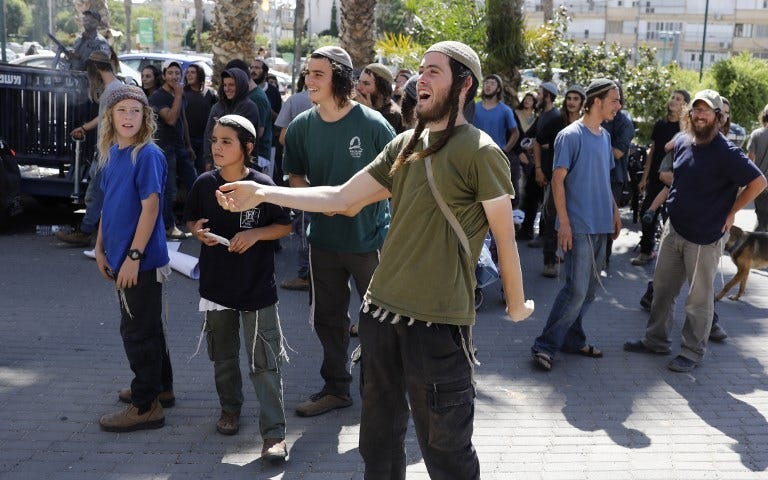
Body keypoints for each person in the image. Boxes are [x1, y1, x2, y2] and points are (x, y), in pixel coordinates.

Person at [215, 40, 533, 480]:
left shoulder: (480, 151)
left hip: (438, 326)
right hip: (380, 317)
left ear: (465, 85)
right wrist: (264, 191)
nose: (421, 78)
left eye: (435, 71)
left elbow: (505, 236)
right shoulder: (403, 145)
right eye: (421, 70)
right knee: (378, 448)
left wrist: (516, 304)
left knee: (446, 453)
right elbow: (343, 198)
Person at [281, 46, 395, 418]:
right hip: (323, 243)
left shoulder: (374, 126)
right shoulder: (300, 128)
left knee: (381, 319)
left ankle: (382, 392)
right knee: (327, 319)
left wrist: (357, 202)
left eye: (318, 74)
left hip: (369, 241)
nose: (308, 81)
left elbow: (398, 181)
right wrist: (313, 201)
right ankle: (336, 388)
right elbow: (295, 178)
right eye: (307, 73)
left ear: (340, 79)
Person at [624, 89, 766, 372]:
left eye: (706, 111)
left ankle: (691, 351)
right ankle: (656, 341)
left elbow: (759, 182)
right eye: (696, 110)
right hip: (674, 230)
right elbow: (676, 179)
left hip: (704, 237)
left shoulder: (727, 152)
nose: (700, 115)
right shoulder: (685, 142)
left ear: (718, 117)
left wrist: (732, 211)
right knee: (662, 291)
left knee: (698, 299)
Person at [183, 114, 291, 460]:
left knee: (264, 363)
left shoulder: (263, 185)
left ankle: (274, 434)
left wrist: (255, 233)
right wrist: (197, 232)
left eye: (226, 141)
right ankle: (230, 410)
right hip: (216, 289)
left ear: (247, 147)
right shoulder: (203, 183)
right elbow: (191, 221)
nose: (217, 147)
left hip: (257, 289)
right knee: (224, 358)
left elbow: (284, 226)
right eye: (214, 140)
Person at [94, 85, 173, 432]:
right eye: (122, 110)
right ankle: (161, 388)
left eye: (135, 111)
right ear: (111, 115)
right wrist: (99, 247)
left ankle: (146, 406)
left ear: (145, 117)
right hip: (118, 256)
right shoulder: (112, 151)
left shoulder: (148, 155)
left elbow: (151, 207)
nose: (128, 117)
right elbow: (108, 204)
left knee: (136, 330)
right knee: (148, 326)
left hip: (140, 261)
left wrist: (133, 256)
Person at [531, 79, 623, 372]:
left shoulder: (605, 136)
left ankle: (573, 338)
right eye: (614, 100)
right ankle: (544, 345)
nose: (618, 106)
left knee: (591, 289)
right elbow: (558, 181)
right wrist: (564, 224)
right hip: (578, 225)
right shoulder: (570, 136)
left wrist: (615, 211)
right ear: (596, 101)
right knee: (576, 289)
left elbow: (604, 179)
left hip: (600, 225)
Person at [56, 51, 123, 247]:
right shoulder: (113, 89)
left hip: (108, 152)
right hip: (108, 150)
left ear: (95, 70)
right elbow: (104, 117)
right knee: (100, 193)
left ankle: (85, 232)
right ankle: (93, 231)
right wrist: (85, 127)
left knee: (95, 193)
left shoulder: (113, 91)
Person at [531, 85, 585, 278]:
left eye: (576, 98)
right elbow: (537, 141)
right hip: (556, 179)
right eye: (569, 98)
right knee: (552, 218)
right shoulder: (556, 120)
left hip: (578, 181)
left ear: (582, 102)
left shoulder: (586, 123)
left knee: (575, 220)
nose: (571, 102)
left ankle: (570, 258)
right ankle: (549, 260)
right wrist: (538, 169)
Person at [631, 89, 689, 266]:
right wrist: (644, 178)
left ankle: (671, 258)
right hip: (656, 179)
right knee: (647, 212)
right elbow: (653, 152)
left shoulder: (685, 128)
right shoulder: (660, 124)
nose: (673, 100)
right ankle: (646, 251)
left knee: (670, 218)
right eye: (672, 96)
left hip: (675, 179)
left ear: (685, 105)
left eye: (678, 98)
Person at [274, 75, 314, 291]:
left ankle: (305, 274)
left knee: (304, 222)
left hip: (303, 173)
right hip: (309, 174)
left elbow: (282, 137)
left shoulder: (294, 101)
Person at [518, 81, 559, 241]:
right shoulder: (542, 115)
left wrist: (539, 145)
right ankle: (527, 230)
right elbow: (529, 134)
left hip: (548, 167)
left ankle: (544, 237)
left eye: (540, 94)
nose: (537, 97)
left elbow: (554, 143)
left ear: (548, 96)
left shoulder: (556, 116)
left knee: (547, 203)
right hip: (537, 165)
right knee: (531, 196)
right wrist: (528, 144)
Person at [202, 68, 262, 170]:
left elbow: (241, 140)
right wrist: (208, 160)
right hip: (217, 167)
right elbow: (209, 135)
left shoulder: (249, 108)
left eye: (231, 85)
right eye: (225, 85)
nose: (227, 88)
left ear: (240, 86)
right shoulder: (217, 107)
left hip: (241, 168)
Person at [473, 74, 519, 206]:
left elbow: (515, 133)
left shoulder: (505, 110)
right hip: (476, 157)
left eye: (493, 83)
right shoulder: (475, 108)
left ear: (498, 89)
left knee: (495, 195)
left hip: (496, 158)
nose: (488, 85)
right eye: (487, 82)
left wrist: (505, 150)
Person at [183, 62, 217, 174]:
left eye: (193, 72)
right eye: (187, 72)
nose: (189, 75)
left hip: (205, 140)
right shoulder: (182, 94)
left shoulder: (210, 93)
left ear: (200, 74)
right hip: (188, 140)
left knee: (204, 171)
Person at [356, 63, 405, 133]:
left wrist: (369, 112)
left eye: (366, 83)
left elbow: (374, 139)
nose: (358, 87)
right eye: (359, 81)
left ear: (381, 88)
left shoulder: (392, 114)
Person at [747, 104, 768, 231]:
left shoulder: (756, 134)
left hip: (760, 185)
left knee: (761, 220)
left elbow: (749, 161)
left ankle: (758, 249)